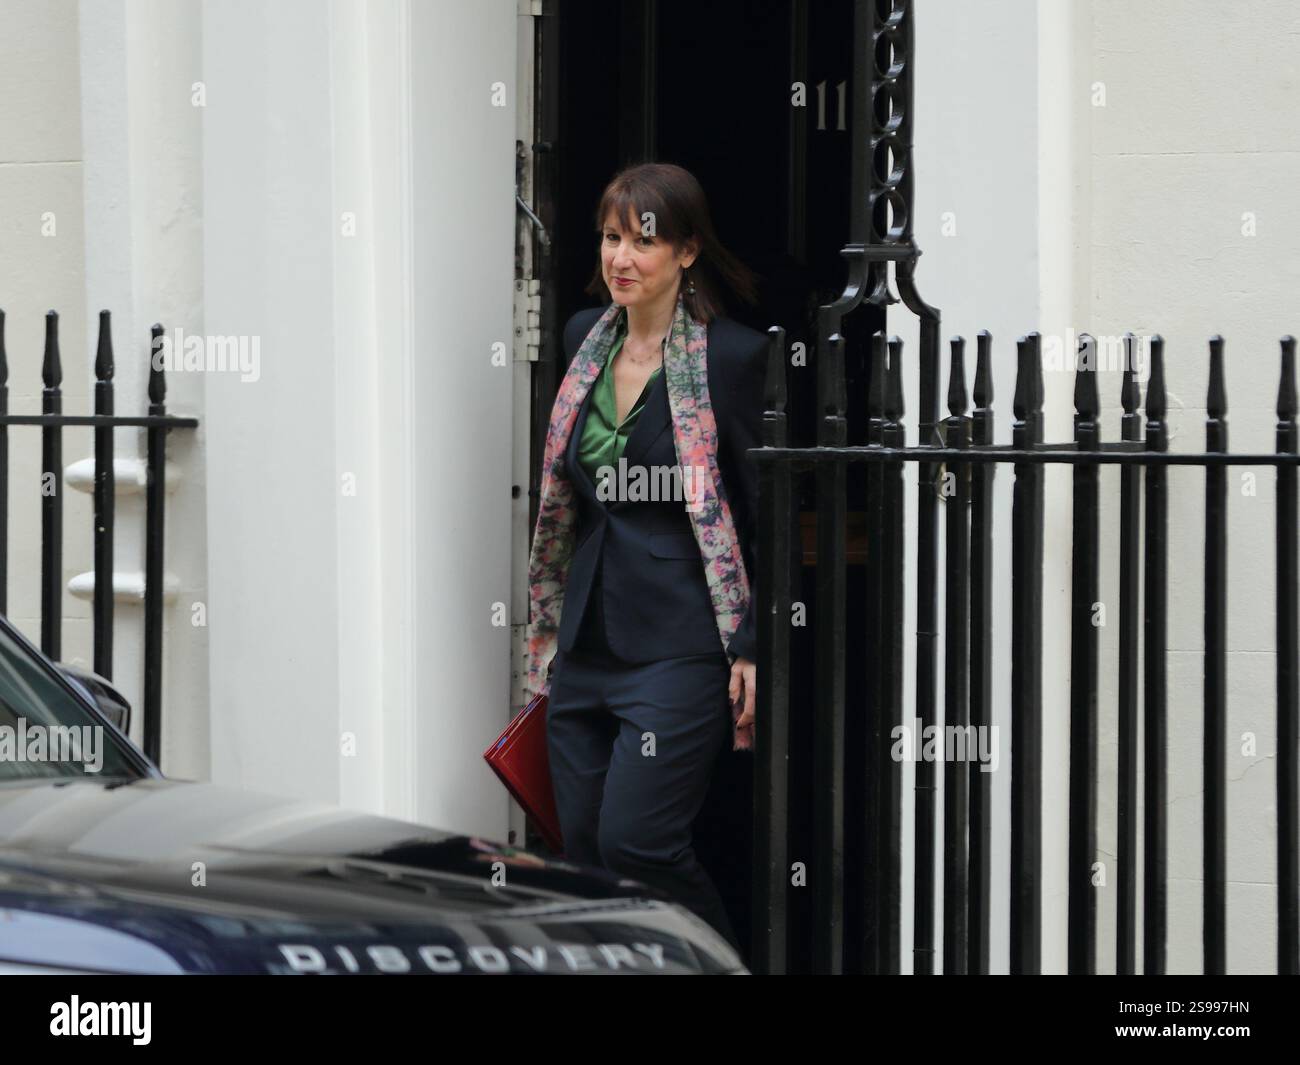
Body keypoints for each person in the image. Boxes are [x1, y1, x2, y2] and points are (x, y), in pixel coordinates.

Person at [524, 161, 768, 948]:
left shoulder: (730, 358)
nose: (620, 257)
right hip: (585, 637)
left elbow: (758, 510)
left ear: (688, 252)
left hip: (679, 641)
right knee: (587, 849)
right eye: (610, 237)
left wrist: (752, 642)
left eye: (644, 240)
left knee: (638, 841)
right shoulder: (580, 342)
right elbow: (569, 497)